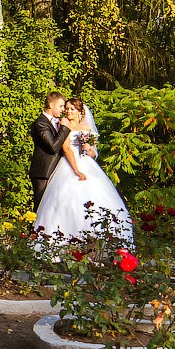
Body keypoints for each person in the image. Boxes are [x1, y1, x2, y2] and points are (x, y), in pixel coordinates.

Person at [35, 95, 133, 243]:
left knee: (94, 199)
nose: (68, 111)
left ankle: (94, 243)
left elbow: (93, 151)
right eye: (66, 108)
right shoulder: (64, 124)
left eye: (71, 109)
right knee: (66, 201)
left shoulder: (86, 128)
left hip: (86, 163)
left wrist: (89, 150)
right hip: (69, 164)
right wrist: (76, 170)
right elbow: (66, 148)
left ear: (80, 112)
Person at [29, 91, 76, 211]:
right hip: (43, 173)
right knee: (41, 209)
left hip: (56, 172)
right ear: (51, 105)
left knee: (53, 210)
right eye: (61, 106)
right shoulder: (40, 123)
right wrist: (65, 128)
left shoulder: (57, 122)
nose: (63, 110)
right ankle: (35, 230)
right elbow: (53, 146)